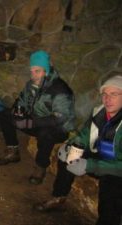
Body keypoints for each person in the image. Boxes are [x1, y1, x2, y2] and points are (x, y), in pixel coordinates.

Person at [35, 75, 122, 225]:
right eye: (105, 94)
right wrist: (70, 145)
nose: (107, 99)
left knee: (111, 189)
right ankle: (59, 197)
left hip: (115, 166)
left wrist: (89, 166)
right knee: (69, 157)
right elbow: (84, 135)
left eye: (114, 94)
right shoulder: (99, 112)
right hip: (100, 154)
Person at [0, 50, 76, 185]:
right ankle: (13, 151)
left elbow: (59, 119)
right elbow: (21, 101)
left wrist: (29, 123)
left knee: (46, 134)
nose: (33, 75)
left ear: (47, 70)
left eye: (37, 71)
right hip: (35, 122)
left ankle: (41, 166)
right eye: (31, 71)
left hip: (58, 128)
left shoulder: (60, 90)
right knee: (5, 115)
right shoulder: (31, 84)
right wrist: (17, 112)